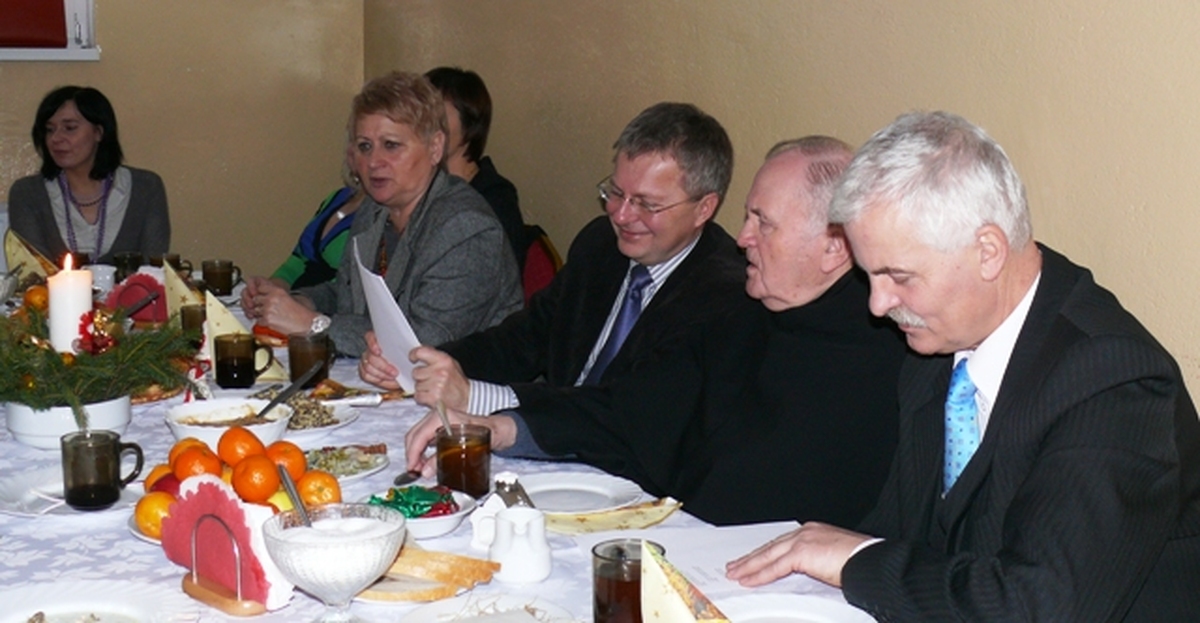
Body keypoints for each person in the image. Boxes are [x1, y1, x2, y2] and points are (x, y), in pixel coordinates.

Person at [727, 111, 1200, 621]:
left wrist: (856, 557)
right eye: (869, 276)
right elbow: (904, 533)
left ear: (988, 251)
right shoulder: (938, 346)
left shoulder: (1111, 379)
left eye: (899, 276)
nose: (878, 305)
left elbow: (1040, 607)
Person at [398, 137, 907, 527]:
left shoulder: (885, 355)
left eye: (763, 222)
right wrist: (500, 427)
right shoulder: (740, 312)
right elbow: (629, 410)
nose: (743, 238)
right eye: (747, 216)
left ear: (834, 246)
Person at [358, 102, 746, 412]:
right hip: (553, 442)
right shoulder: (600, 244)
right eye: (615, 192)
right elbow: (525, 338)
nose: (621, 215)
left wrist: (480, 398)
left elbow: (625, 411)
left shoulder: (722, 295)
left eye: (647, 204)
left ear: (704, 208)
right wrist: (423, 364)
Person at [241, 71, 522, 356]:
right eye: (365, 146)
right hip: (383, 375)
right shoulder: (374, 210)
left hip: (465, 381)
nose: (374, 162)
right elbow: (349, 295)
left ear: (435, 148)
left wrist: (312, 324)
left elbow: (423, 341)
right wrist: (298, 302)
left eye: (391, 145)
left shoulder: (466, 228)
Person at [7, 86, 170, 265]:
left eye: (69, 128)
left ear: (99, 132)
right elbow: (35, 270)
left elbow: (153, 267)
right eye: (49, 130)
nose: (56, 138)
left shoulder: (146, 187)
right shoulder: (27, 193)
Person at [425, 67, 526, 268]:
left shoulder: (495, 200)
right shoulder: (423, 188)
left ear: (470, 124)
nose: (425, 126)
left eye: (438, 116)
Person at [269, 154, 366, 289]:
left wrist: (295, 300)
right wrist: (268, 288)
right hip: (298, 296)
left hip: (328, 301)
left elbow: (348, 289)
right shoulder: (338, 197)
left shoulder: (384, 217)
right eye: (364, 147)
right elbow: (298, 261)